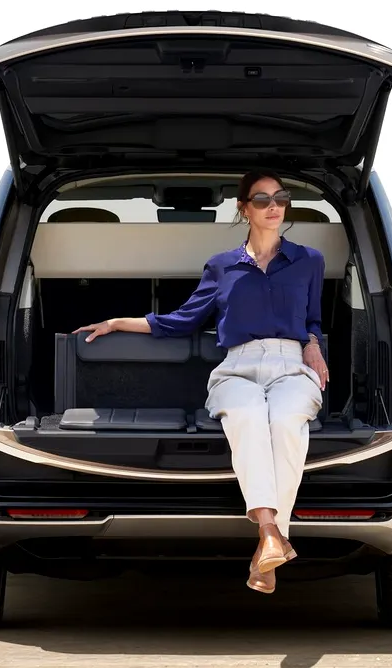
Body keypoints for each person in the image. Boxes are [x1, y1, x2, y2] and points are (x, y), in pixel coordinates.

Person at [73, 169, 329, 594]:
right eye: (262, 199)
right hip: (238, 367)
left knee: (286, 423)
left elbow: (313, 318)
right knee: (248, 417)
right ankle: (270, 537)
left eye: (281, 198)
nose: (273, 206)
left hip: (291, 364)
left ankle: (269, 540)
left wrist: (314, 344)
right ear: (243, 208)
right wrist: (117, 322)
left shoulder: (309, 260)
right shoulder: (222, 265)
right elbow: (182, 320)